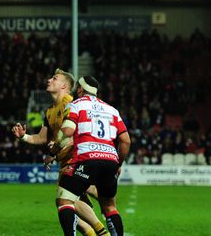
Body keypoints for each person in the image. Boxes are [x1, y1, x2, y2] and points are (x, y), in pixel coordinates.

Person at [12, 69, 109, 236]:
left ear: (64, 86)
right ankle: (98, 228)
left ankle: (102, 229)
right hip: (66, 161)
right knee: (69, 204)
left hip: (78, 157)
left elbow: (72, 134)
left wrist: (54, 152)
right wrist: (23, 137)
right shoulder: (50, 111)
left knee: (66, 201)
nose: (49, 80)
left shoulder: (70, 103)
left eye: (54, 78)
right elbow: (42, 138)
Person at [56, 75, 131, 236]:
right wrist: (118, 164)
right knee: (110, 207)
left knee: (65, 200)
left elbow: (67, 132)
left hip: (86, 158)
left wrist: (54, 148)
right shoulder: (112, 110)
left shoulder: (75, 105)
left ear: (81, 89)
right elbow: (126, 141)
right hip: (110, 160)